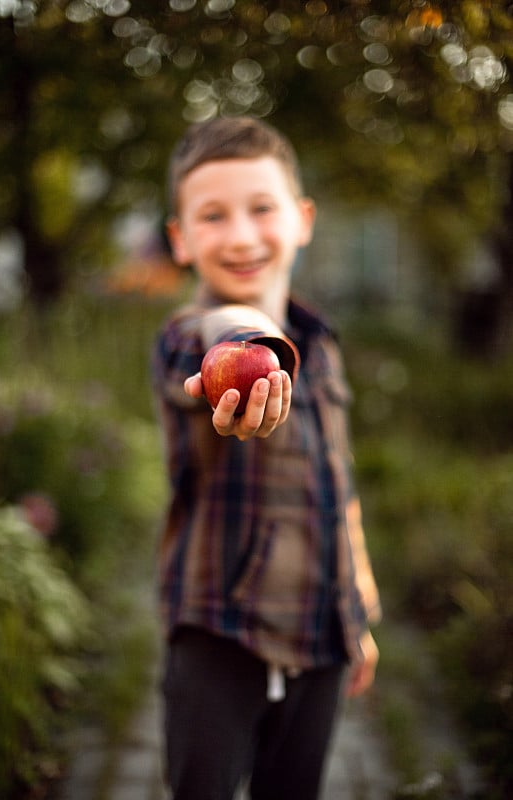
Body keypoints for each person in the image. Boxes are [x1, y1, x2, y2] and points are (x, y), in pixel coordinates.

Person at [152, 116, 381, 800]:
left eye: (261, 208)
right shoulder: (188, 337)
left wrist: (359, 613)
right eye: (212, 216)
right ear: (181, 240)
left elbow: (338, 486)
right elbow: (222, 325)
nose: (242, 235)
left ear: (302, 219)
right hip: (217, 632)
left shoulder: (324, 345)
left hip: (319, 629)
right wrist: (252, 335)